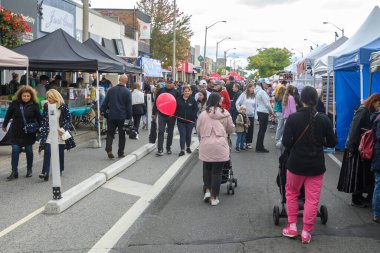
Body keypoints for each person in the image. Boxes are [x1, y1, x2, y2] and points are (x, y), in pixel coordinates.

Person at [282, 86, 337, 244]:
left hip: (296, 164)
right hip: (316, 165)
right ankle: (306, 232)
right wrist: (321, 141)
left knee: (291, 193)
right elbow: (332, 142)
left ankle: (292, 226)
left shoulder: (293, 118)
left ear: (301, 100)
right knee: (312, 200)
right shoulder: (324, 118)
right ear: (316, 100)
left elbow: (286, 142)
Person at [338, 94, 380, 207]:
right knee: (356, 174)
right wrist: (352, 147)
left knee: (359, 174)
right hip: (356, 146)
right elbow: (354, 129)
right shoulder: (363, 111)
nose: (378, 106)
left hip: (359, 146)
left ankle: (358, 197)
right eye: (378, 103)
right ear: (373, 101)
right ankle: (356, 199)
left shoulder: (365, 110)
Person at [197, 93, 234, 206]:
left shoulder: (203, 114)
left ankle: (207, 191)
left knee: (207, 168)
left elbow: (198, 129)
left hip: (206, 144)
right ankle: (214, 197)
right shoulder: (225, 113)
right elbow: (230, 128)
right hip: (220, 144)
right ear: (218, 101)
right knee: (217, 172)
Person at [2, 86, 42, 180]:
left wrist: (41, 128)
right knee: (15, 151)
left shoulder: (34, 104)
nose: (26, 97)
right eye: (24, 96)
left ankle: (29, 169)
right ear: (20, 95)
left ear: (31, 96)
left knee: (29, 151)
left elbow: (39, 117)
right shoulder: (15, 103)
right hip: (16, 131)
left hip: (29, 132)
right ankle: (14, 171)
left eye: (28, 96)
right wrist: (5, 125)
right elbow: (8, 114)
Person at [38, 89, 76, 181]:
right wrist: (42, 127)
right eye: (47, 97)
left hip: (60, 133)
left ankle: (60, 169)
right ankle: (45, 172)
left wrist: (63, 129)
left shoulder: (63, 107)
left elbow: (68, 120)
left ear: (55, 97)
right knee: (47, 152)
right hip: (49, 133)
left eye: (50, 97)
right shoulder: (47, 106)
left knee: (59, 153)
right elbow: (44, 119)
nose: (48, 99)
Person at [100, 74, 132, 159]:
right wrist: (129, 118)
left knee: (110, 133)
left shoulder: (111, 90)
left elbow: (105, 102)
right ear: (126, 81)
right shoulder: (127, 92)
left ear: (119, 80)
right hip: (122, 116)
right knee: (122, 135)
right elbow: (129, 107)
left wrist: (102, 112)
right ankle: (120, 153)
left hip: (112, 116)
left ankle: (108, 149)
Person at [152, 79, 179, 156]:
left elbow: (177, 105)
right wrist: (154, 113)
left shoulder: (176, 92)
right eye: (168, 83)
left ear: (173, 84)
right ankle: (160, 149)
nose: (169, 84)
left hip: (171, 115)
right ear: (166, 83)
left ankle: (168, 147)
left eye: (171, 83)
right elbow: (156, 102)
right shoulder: (161, 90)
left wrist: (175, 114)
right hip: (161, 114)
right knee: (160, 131)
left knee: (170, 132)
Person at [175, 86, 198, 156]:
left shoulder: (192, 99)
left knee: (188, 135)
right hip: (180, 121)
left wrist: (192, 116)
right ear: (183, 92)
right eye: (185, 91)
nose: (187, 92)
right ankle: (182, 150)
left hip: (190, 121)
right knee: (182, 135)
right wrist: (177, 115)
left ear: (190, 92)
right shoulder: (178, 99)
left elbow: (195, 109)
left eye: (188, 91)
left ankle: (188, 147)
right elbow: (175, 109)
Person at [236, 83, 256, 149]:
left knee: (250, 129)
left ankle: (248, 143)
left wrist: (256, 115)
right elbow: (237, 103)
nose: (253, 89)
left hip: (251, 115)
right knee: (243, 130)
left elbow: (256, 105)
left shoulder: (254, 96)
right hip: (244, 115)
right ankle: (243, 142)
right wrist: (240, 110)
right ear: (248, 88)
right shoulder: (243, 95)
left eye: (254, 88)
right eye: (252, 88)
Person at [255, 81, 273, 152]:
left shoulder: (260, 91)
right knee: (262, 130)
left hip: (261, 111)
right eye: (267, 84)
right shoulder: (262, 92)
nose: (268, 85)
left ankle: (259, 146)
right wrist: (271, 111)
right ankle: (260, 147)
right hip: (263, 112)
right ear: (263, 84)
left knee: (261, 130)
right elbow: (267, 104)